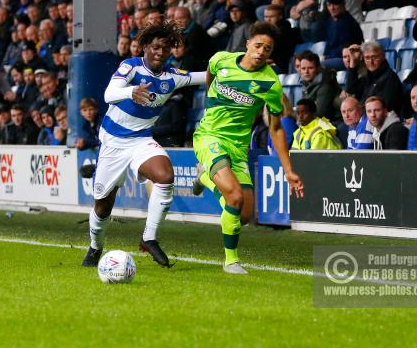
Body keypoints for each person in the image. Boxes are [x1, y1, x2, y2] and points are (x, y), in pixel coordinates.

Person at [81, 22, 206, 269]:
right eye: (156, 47)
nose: (161, 52)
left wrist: (241, 66)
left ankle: (149, 238)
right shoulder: (131, 66)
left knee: (165, 176)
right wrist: (130, 92)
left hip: (141, 140)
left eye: (166, 48)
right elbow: (108, 94)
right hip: (114, 142)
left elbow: (204, 76)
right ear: (145, 46)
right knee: (103, 204)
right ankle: (96, 247)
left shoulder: (173, 77)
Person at [192, 22, 304, 275]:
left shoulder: (270, 84)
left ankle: (203, 177)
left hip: (238, 146)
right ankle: (231, 261)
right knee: (234, 196)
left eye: (268, 48)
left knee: (242, 215)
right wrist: (212, 99)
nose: (262, 51)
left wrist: (288, 170)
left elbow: (275, 129)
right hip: (210, 136)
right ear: (247, 44)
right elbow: (210, 74)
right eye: (258, 45)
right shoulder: (221, 60)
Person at [345, 41, 403, 116]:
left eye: (375, 57)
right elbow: (351, 89)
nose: (371, 62)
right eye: (367, 58)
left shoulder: (390, 78)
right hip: (364, 118)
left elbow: (385, 107)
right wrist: (353, 62)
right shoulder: (368, 77)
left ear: (383, 57)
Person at [299, 51, 341, 121]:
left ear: (318, 68)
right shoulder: (305, 84)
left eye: (310, 68)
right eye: (303, 68)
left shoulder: (326, 85)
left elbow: (319, 113)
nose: (306, 72)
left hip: (331, 124)